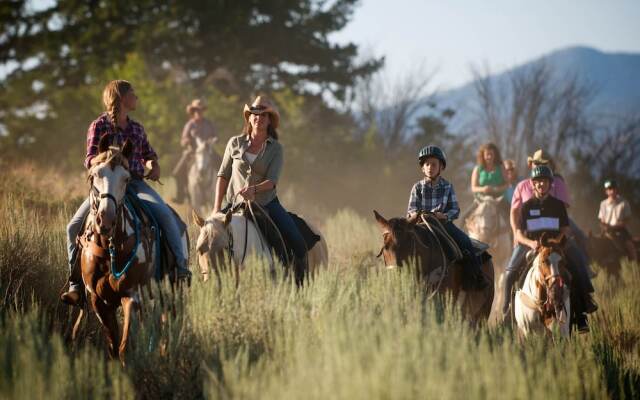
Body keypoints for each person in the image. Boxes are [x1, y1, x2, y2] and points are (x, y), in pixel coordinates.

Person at [61, 80, 191, 306]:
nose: (137, 98)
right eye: (133, 94)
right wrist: (110, 161)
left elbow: (149, 154)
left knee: (166, 216)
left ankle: (180, 269)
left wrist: (154, 164)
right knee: (73, 227)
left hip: (135, 184)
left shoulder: (137, 128)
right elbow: (90, 159)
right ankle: (75, 284)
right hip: (107, 188)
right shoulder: (99, 125)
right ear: (121, 98)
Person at [212, 96, 308, 285]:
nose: (259, 117)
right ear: (249, 118)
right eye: (255, 113)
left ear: (270, 120)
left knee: (297, 240)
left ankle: (298, 283)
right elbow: (222, 175)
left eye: (264, 115)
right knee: (209, 237)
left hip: (266, 203)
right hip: (235, 205)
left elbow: (272, 181)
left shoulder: (276, 149)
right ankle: (209, 278)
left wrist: (253, 190)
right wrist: (216, 208)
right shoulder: (234, 143)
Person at [503, 165, 596, 331]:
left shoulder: (558, 205)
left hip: (556, 246)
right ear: (532, 185)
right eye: (537, 182)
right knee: (511, 273)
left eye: (544, 181)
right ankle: (508, 313)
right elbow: (518, 233)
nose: (541, 185)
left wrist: (557, 241)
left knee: (575, 267)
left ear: (550, 184)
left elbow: (566, 229)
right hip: (533, 246)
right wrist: (530, 243)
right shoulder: (526, 206)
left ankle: (582, 311)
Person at [407, 145, 489, 290]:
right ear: (422, 168)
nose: (430, 167)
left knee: (465, 242)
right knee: (403, 244)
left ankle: (477, 277)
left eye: (434, 164)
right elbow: (411, 210)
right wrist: (419, 215)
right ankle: (403, 278)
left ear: (441, 167)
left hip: (443, 225)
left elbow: (455, 210)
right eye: (427, 164)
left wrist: (444, 215)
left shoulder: (447, 187)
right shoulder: (417, 188)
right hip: (422, 226)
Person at [172, 99, 218, 203]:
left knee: (224, 167)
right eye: (197, 110)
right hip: (192, 153)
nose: (199, 112)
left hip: (208, 151)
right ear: (193, 112)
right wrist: (187, 141)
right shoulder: (189, 125)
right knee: (177, 172)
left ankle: (224, 194)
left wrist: (213, 139)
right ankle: (181, 196)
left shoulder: (209, 123)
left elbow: (215, 136)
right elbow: (183, 140)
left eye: (201, 110)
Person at [599, 179, 637, 261]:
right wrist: (604, 226)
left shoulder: (624, 202)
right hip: (607, 231)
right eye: (609, 189)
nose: (611, 191)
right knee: (596, 244)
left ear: (616, 189)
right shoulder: (603, 204)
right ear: (606, 191)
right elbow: (602, 219)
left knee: (630, 246)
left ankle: (634, 265)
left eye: (613, 188)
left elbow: (627, 220)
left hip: (621, 230)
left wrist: (616, 226)